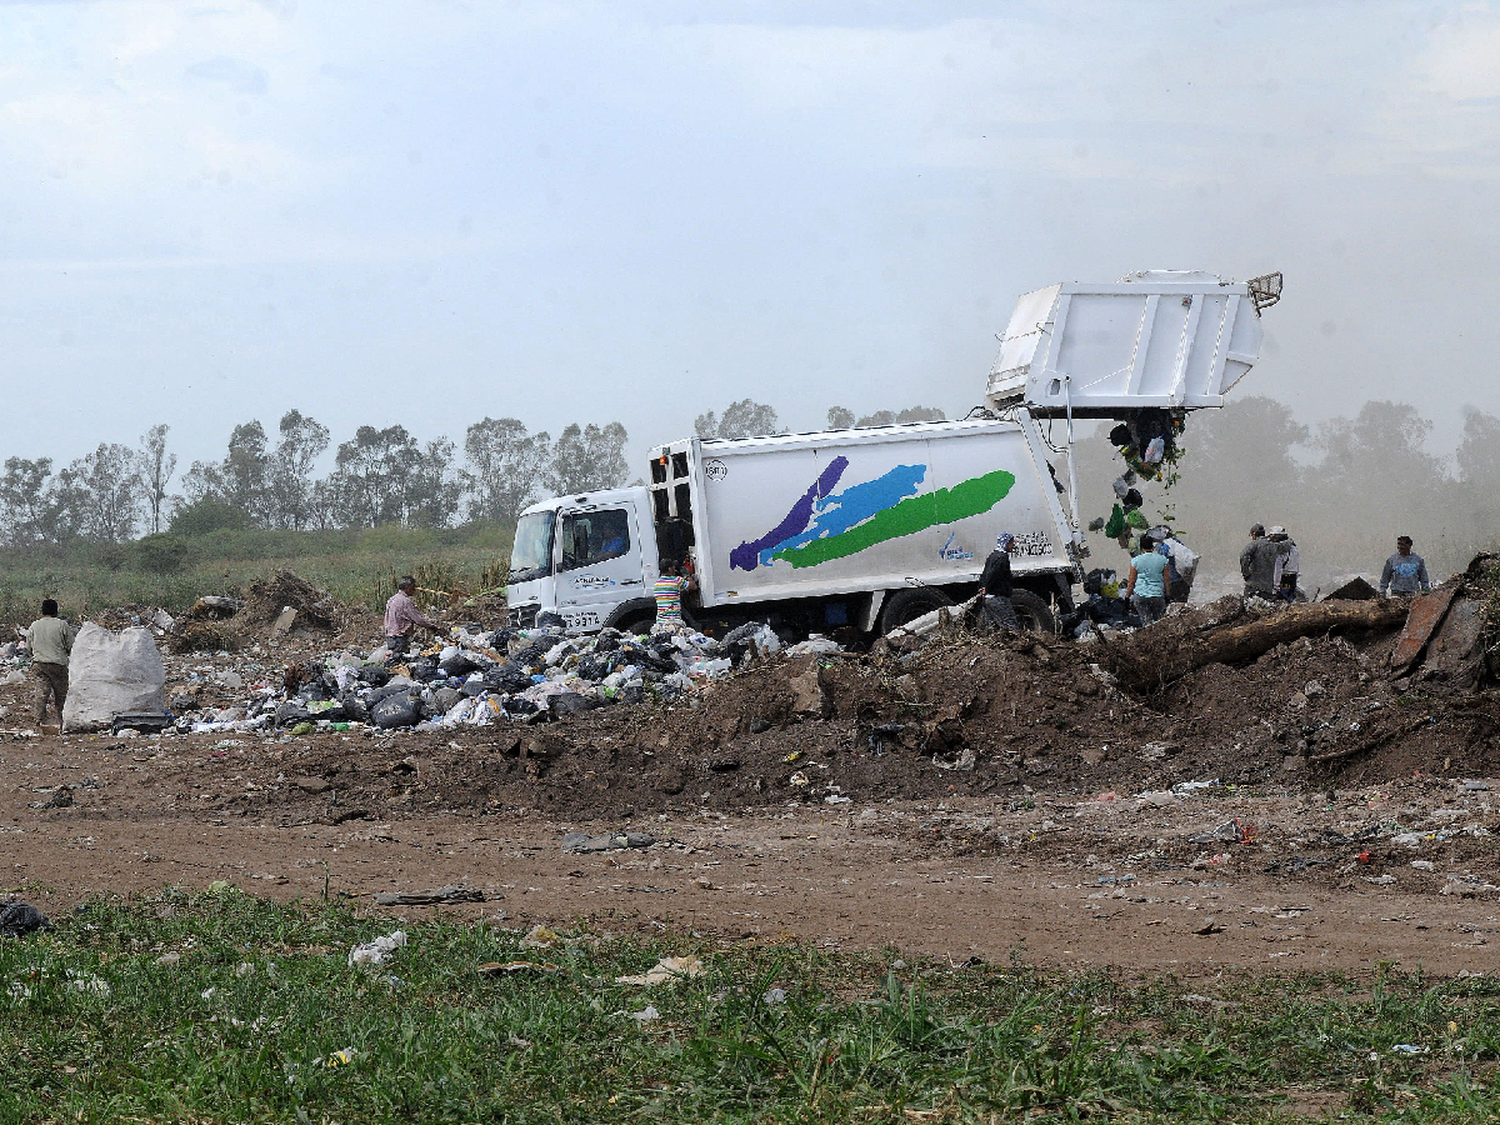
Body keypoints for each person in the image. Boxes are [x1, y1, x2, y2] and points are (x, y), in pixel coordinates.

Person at [26, 598, 73, 731]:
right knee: (61, 694)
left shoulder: (35, 625)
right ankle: (62, 721)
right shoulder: (62, 625)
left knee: (41, 692)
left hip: (40, 664)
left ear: (42, 611)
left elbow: (29, 647)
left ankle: (38, 720)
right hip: (58, 664)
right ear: (56, 610)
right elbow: (71, 645)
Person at [383, 575, 441, 659]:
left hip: (391, 636)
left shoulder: (392, 599)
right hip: (400, 638)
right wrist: (434, 627)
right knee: (401, 661)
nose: (414, 590)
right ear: (407, 587)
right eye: (413, 587)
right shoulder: (405, 601)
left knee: (394, 661)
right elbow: (418, 620)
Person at [977, 533, 1020, 630]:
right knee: (1011, 626)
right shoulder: (1002, 558)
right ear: (1006, 543)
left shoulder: (993, 555)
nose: (1013, 546)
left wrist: (982, 588)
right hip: (997, 598)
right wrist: (988, 588)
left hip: (988, 598)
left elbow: (985, 574)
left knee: (992, 628)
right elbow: (994, 575)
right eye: (1011, 543)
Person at [1126, 535, 1170, 625]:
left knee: (1146, 621)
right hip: (1157, 595)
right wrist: (1168, 595)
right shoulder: (1163, 560)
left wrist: (1127, 596)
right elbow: (1167, 580)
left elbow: (1131, 582)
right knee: (1160, 622)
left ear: (1141, 547)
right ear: (1153, 546)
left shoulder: (1135, 561)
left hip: (1141, 595)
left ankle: (1148, 635)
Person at [652, 561, 696, 630]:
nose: (674, 570)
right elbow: (693, 586)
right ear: (670, 569)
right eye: (673, 568)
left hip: (660, 622)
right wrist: (688, 577)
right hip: (674, 622)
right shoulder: (677, 580)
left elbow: (670, 594)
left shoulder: (657, 584)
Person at [1239, 523, 1278, 599]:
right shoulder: (1274, 545)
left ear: (1254, 535)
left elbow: (1243, 556)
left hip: (1254, 585)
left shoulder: (1254, 544)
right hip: (1269, 586)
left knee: (1249, 606)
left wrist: (1246, 573)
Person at [1268, 526, 1300, 602]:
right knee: (1291, 601)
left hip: (1284, 579)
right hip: (1293, 578)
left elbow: (1277, 570)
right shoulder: (1294, 548)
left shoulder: (1281, 552)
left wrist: (1276, 586)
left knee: (1281, 602)